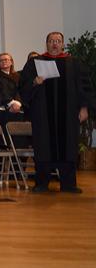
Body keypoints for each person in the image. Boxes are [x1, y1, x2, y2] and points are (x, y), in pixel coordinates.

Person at [19, 32, 94, 193]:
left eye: (58, 41)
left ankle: (68, 184)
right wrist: (34, 82)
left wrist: (84, 107)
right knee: (43, 147)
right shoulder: (35, 63)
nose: (55, 44)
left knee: (69, 146)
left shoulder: (74, 63)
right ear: (46, 44)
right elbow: (23, 86)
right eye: (52, 41)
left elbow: (84, 88)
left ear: (62, 44)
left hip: (68, 116)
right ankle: (42, 183)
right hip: (43, 116)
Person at [0, 53, 24, 130]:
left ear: (11, 62)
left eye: (6, 59)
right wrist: (11, 103)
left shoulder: (18, 76)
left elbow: (20, 91)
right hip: (4, 109)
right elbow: (0, 92)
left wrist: (18, 103)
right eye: (1, 60)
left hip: (19, 108)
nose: (3, 61)